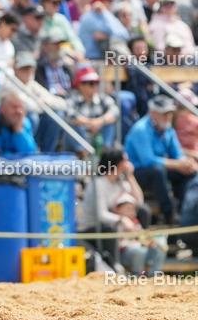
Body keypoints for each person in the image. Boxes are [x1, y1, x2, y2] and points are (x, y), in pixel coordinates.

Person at [125, 95, 198, 224]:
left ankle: (186, 210)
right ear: (153, 112)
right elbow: (147, 161)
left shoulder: (168, 128)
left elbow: (177, 153)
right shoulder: (141, 129)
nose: (168, 116)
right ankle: (169, 213)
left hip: (157, 170)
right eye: (164, 113)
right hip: (136, 173)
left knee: (190, 172)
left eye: (170, 113)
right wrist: (177, 164)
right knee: (157, 171)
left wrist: (186, 163)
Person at [79, 149, 147, 270]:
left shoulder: (120, 182)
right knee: (110, 228)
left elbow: (139, 202)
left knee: (143, 211)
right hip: (91, 229)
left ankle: (141, 244)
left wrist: (130, 177)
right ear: (120, 164)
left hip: (114, 227)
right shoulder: (97, 184)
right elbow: (101, 215)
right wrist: (123, 220)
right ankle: (115, 266)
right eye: (126, 161)